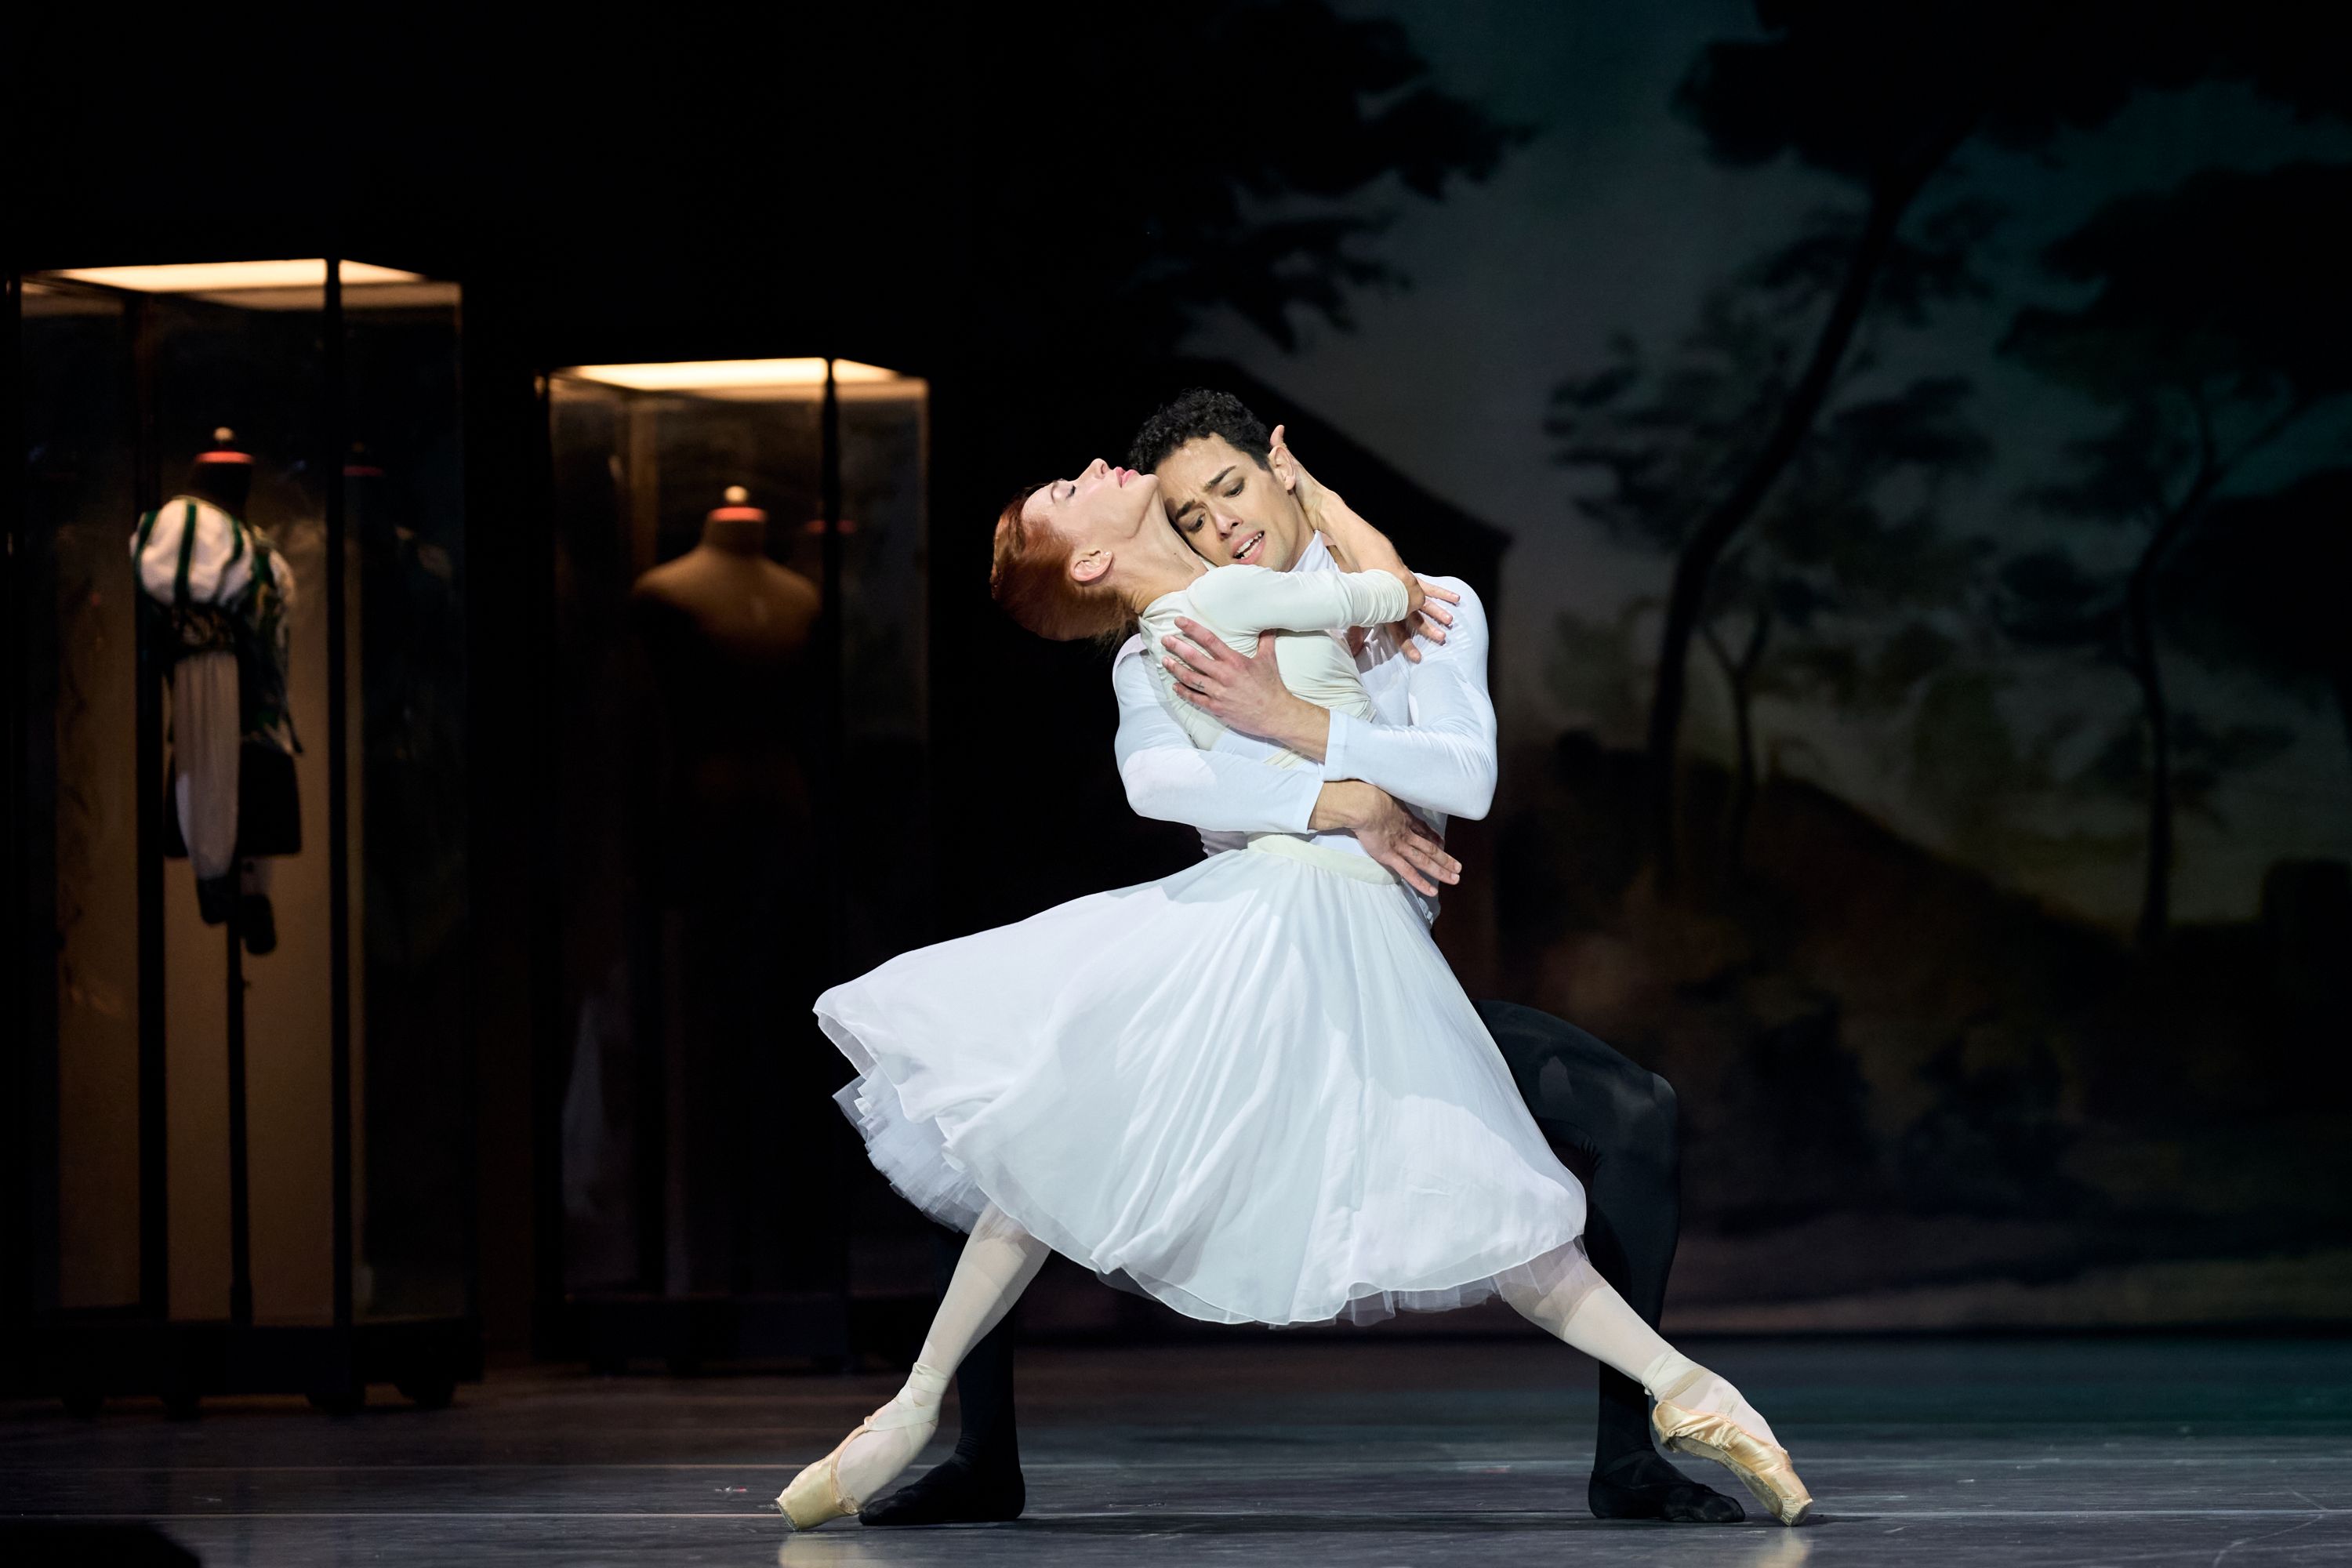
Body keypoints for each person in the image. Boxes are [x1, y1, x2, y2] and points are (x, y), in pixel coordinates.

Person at [775, 459, 1812, 1532]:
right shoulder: (1178, 635)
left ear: (1281, 485)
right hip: (1280, 934)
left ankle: (1668, 1416)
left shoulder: (1398, 607)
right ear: (1109, 554)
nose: (1218, 518)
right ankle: (942, 1426)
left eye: (1233, 490)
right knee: (1032, 1115)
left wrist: (1319, 716)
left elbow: (1452, 750)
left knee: (1519, 1167)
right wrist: (1336, 797)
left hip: (1367, 950)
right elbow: (1160, 779)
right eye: (1191, 509)